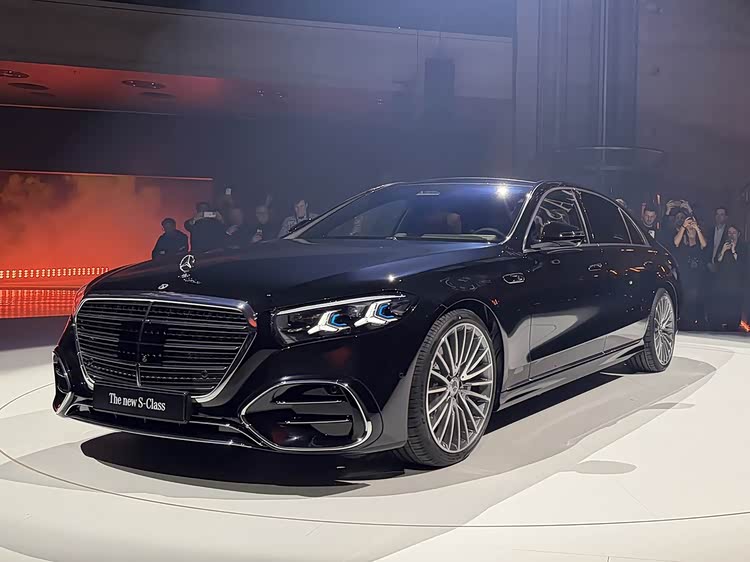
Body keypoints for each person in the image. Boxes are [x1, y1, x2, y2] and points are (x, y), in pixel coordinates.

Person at [672, 216, 707, 328]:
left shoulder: (700, 238)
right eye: (689, 224)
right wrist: (683, 226)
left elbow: (704, 245)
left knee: (695, 297)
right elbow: (675, 242)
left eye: (692, 223)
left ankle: (694, 321)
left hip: (697, 274)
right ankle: (684, 321)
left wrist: (697, 228)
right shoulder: (682, 238)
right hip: (684, 273)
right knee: (685, 296)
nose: (691, 226)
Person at [714, 225, 745, 331]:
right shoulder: (724, 245)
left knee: (735, 303)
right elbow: (717, 261)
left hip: (737, 281)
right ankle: (722, 323)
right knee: (723, 302)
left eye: (733, 233)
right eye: (729, 233)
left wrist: (733, 251)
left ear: (738, 234)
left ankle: (734, 325)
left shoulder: (743, 246)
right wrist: (723, 251)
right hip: (723, 280)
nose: (731, 235)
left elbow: (742, 264)